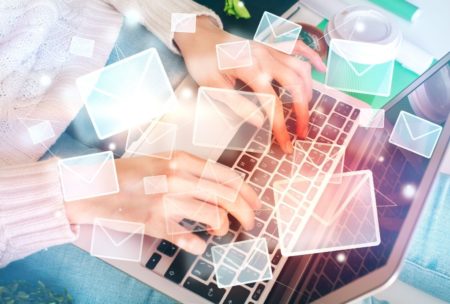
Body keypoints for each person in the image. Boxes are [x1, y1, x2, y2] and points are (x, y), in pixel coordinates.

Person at [0, 0, 325, 268]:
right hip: (23, 194)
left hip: (105, 27)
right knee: (206, 265)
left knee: (276, 115)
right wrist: (64, 194)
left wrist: (192, 28)